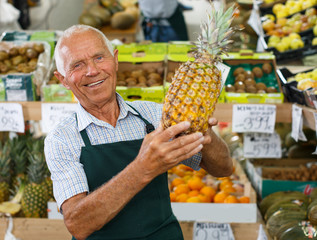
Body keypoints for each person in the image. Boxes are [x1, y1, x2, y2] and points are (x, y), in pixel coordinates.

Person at [44, 24, 233, 240]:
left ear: (115, 60)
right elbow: (77, 224)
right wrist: (143, 168)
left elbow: (223, 168)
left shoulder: (154, 116)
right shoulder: (62, 138)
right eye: (77, 65)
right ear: (63, 80)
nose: (92, 70)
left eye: (99, 58)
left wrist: (204, 131)